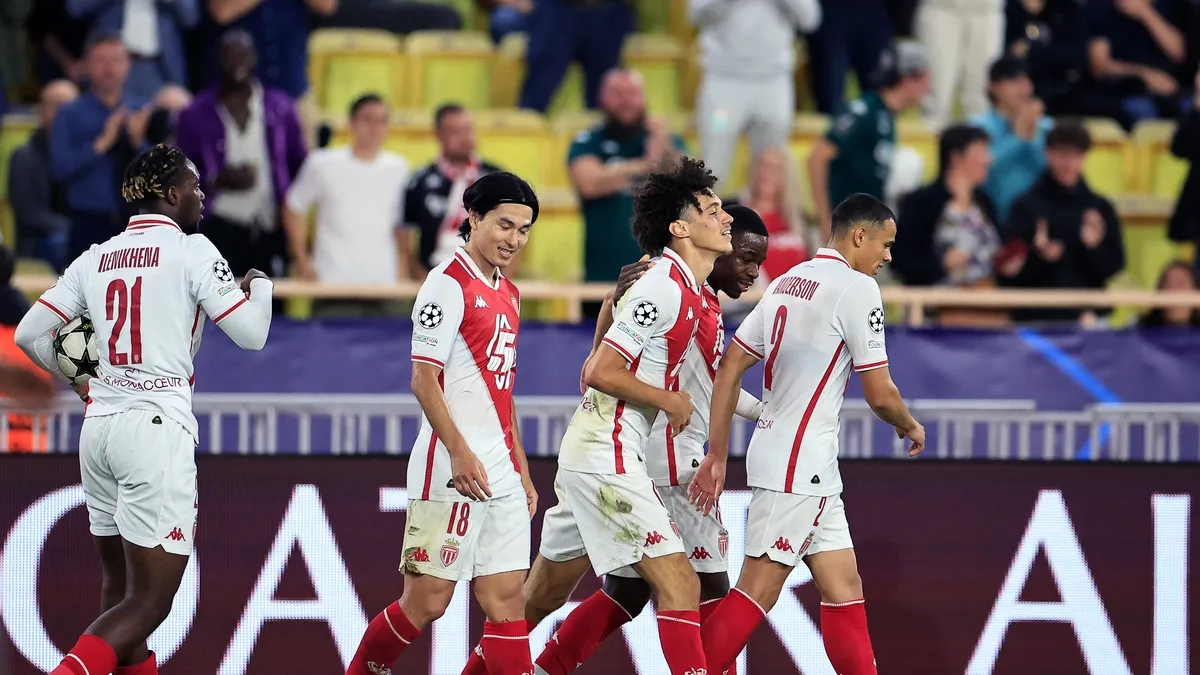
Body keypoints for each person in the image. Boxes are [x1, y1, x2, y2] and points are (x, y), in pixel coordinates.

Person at [13, 144, 274, 675]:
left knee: (120, 590)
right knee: (152, 601)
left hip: (100, 426)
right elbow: (252, 335)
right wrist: (261, 287)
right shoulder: (192, 249)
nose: (202, 197)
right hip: (155, 428)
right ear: (172, 195)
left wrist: (81, 380)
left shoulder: (97, 255)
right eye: (195, 187)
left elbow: (28, 335)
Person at [477, 157, 732, 675]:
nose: (725, 217)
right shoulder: (664, 285)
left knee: (538, 600)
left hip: (597, 454)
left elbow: (601, 358)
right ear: (680, 228)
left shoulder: (683, 289)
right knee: (681, 585)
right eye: (712, 210)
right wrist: (669, 400)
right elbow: (599, 371)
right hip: (606, 455)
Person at [692, 193, 926, 675]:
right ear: (859, 236)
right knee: (758, 589)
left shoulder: (787, 281)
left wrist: (719, 451)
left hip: (799, 463)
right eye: (885, 244)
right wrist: (908, 424)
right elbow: (880, 393)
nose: (888, 256)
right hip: (800, 467)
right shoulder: (857, 289)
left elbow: (730, 365)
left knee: (844, 588)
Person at [344, 172, 541, 675]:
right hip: (449, 466)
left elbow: (502, 392)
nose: (514, 239)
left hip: (499, 468)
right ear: (472, 217)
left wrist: (520, 468)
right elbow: (423, 379)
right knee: (427, 602)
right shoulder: (446, 283)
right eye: (504, 225)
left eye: (523, 230)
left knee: (507, 602)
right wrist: (458, 451)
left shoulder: (510, 293)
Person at [175, 30, 307, 279]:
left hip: (269, 225)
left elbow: (298, 161)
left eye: (244, 55)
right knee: (217, 294)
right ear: (218, 59)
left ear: (255, 57)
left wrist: (286, 203)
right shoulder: (194, 113)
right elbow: (180, 171)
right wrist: (216, 180)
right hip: (218, 224)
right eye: (230, 55)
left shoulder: (280, 107)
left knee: (270, 296)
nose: (238, 62)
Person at [284, 93, 409, 316]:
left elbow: (399, 225)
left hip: (385, 288)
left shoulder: (398, 168)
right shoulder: (323, 164)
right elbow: (293, 207)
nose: (375, 128)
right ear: (351, 123)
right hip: (333, 287)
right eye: (367, 119)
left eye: (382, 120)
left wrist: (403, 266)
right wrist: (301, 259)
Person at [808, 42, 931, 238]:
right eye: (925, 78)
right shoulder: (863, 113)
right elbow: (817, 158)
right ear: (908, 78)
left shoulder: (885, 115)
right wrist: (825, 222)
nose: (928, 87)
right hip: (844, 229)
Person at [401, 103, 503, 280]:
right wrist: (424, 281)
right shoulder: (419, 181)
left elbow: (519, 230)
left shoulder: (496, 178)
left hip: (485, 276)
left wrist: (498, 282)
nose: (465, 137)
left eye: (468, 129)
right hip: (435, 274)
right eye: (456, 131)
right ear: (439, 134)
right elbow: (404, 240)